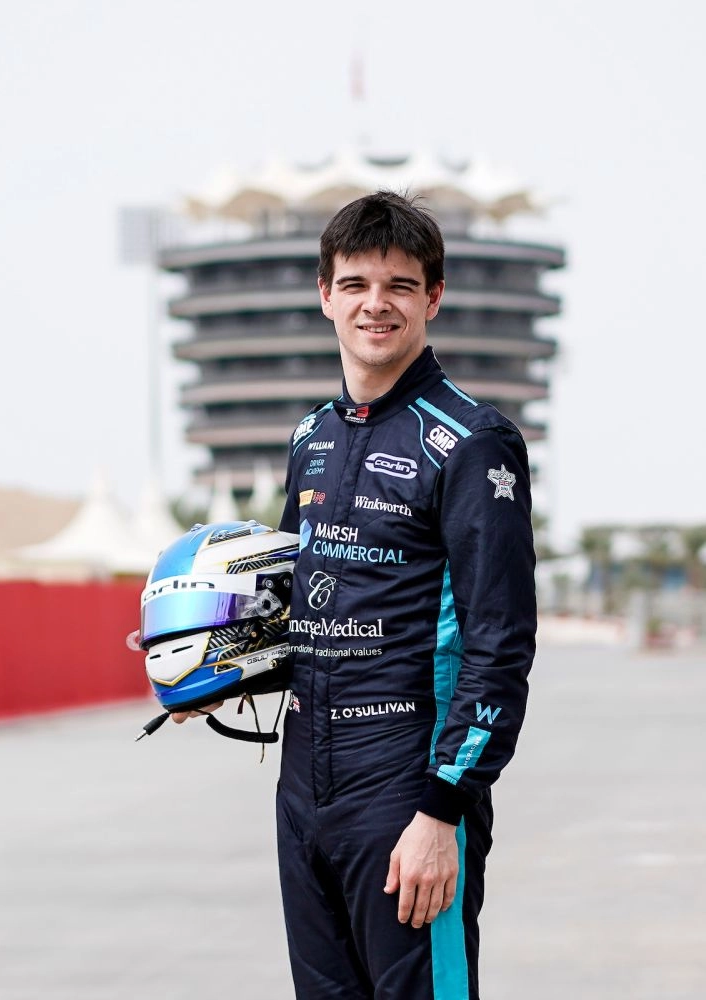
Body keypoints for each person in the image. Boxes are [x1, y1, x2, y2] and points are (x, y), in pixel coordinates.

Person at [175, 190, 535, 999]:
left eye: (401, 285)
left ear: (433, 298)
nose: (377, 304)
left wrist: (444, 811)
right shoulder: (312, 437)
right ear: (326, 294)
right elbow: (292, 602)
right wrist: (212, 668)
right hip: (304, 790)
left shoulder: (473, 442)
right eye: (358, 283)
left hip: (406, 787)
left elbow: (501, 643)